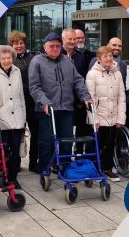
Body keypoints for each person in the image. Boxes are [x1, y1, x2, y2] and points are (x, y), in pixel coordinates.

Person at [29, 32, 92, 178]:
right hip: (47, 109)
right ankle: (45, 168)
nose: (55, 49)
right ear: (45, 47)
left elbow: (78, 80)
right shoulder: (37, 61)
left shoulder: (67, 61)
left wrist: (85, 97)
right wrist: (44, 101)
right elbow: (34, 86)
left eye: (57, 46)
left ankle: (64, 169)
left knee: (66, 141)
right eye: (51, 46)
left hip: (66, 108)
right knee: (47, 141)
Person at [0, 45, 26, 189]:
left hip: (17, 120)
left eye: (9, 58)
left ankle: (13, 179)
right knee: (2, 150)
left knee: (15, 151)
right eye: (3, 58)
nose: (6, 61)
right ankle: (0, 177)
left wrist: (23, 118)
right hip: (1, 120)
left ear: (13, 58)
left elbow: (21, 95)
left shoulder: (17, 71)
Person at [86, 46, 126, 181]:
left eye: (110, 56)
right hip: (99, 116)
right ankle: (94, 169)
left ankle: (107, 169)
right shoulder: (92, 74)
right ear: (99, 59)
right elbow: (89, 98)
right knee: (97, 144)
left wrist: (121, 117)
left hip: (114, 115)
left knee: (110, 144)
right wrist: (93, 119)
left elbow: (122, 96)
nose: (109, 58)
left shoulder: (118, 73)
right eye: (105, 56)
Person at [9, 30, 39, 173]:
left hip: (32, 102)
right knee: (17, 134)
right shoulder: (9, 60)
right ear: (11, 45)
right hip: (17, 102)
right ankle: (16, 163)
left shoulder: (33, 58)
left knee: (36, 133)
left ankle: (33, 163)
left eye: (21, 43)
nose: (19, 46)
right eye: (15, 43)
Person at [62, 28, 90, 155]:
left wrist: (82, 98)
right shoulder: (57, 54)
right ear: (63, 39)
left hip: (78, 102)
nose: (73, 41)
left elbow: (82, 78)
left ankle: (78, 154)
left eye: (74, 39)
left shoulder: (80, 57)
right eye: (70, 39)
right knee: (64, 132)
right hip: (61, 102)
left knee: (81, 130)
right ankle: (62, 158)